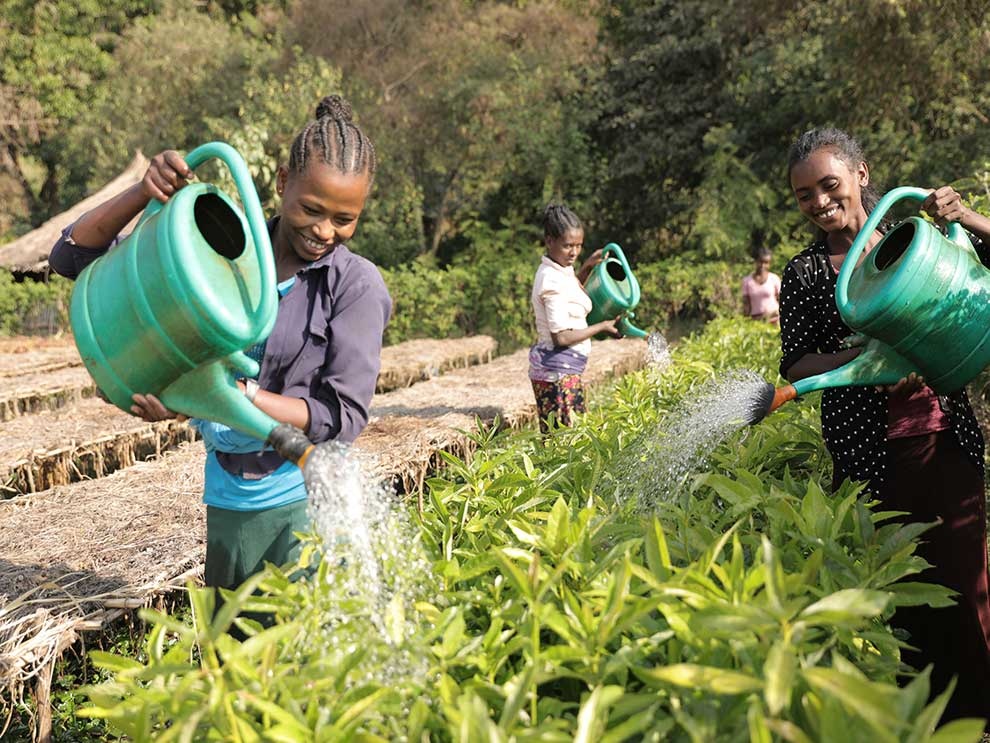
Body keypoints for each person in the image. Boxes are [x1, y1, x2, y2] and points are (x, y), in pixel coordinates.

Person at [49, 95, 392, 593]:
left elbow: (342, 416)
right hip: (226, 493)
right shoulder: (221, 243)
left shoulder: (354, 286)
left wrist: (240, 398)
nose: (324, 230)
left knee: (292, 658)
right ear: (281, 183)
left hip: (299, 498)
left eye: (345, 219)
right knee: (230, 656)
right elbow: (71, 256)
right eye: (311, 209)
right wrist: (141, 193)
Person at [779, 127, 990, 722]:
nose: (819, 203)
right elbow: (796, 362)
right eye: (803, 196)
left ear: (861, 175)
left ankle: (979, 718)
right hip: (869, 458)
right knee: (905, 599)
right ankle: (929, 724)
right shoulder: (807, 275)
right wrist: (867, 363)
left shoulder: (916, 232)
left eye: (828, 185)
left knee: (964, 583)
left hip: (942, 441)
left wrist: (966, 215)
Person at [528, 203, 622, 433]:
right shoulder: (550, 280)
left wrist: (587, 266)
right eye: (567, 246)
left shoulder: (561, 269)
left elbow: (570, 293)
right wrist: (602, 326)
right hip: (557, 376)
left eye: (578, 246)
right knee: (564, 443)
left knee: (573, 438)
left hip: (565, 371)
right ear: (549, 241)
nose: (574, 253)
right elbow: (560, 337)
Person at [741, 247, 780, 324]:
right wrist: (745, 322)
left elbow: (782, 300)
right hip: (756, 320)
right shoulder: (747, 281)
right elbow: (746, 305)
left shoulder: (774, 279)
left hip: (774, 319)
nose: (762, 265)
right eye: (760, 262)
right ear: (756, 261)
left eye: (766, 263)